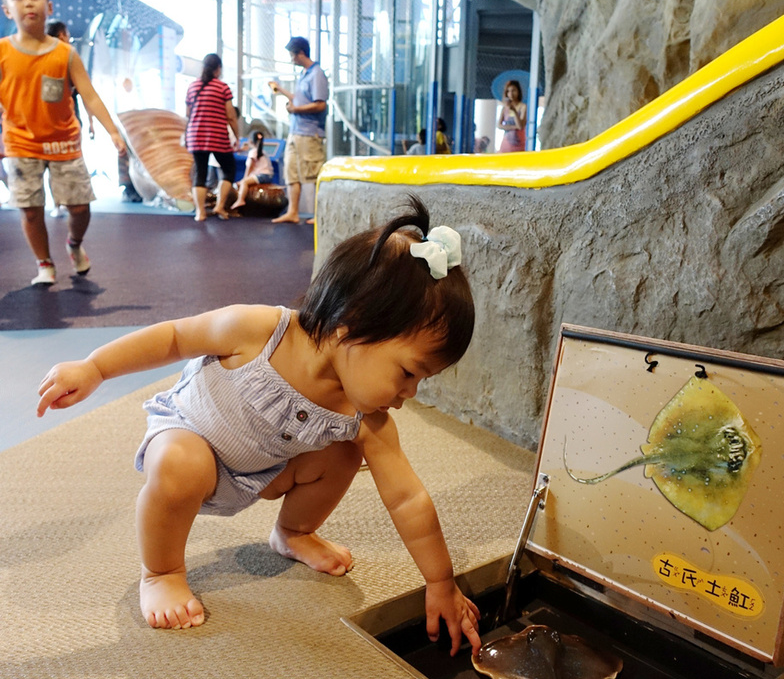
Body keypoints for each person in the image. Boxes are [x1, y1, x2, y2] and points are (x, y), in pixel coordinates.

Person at [37, 196, 482, 655]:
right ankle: (162, 571)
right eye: (408, 373)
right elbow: (174, 337)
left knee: (344, 454)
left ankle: (293, 532)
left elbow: (408, 498)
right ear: (350, 327)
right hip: (189, 437)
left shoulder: (366, 418)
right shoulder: (258, 331)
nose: (410, 393)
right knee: (182, 463)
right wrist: (95, 367)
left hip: (260, 472)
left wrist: (440, 582)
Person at [0, 0, 126, 285]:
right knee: (30, 211)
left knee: (80, 207)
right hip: (20, 143)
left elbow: (90, 94)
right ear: (7, 10)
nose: (28, 3)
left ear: (49, 5)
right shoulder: (2, 52)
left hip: (63, 142)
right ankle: (45, 264)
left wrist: (113, 131)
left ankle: (74, 244)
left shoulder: (65, 53)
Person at [270, 36, 328, 224]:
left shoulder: (317, 73)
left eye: (292, 55)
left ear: (300, 53)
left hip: (310, 133)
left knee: (314, 174)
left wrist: (295, 109)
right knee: (292, 172)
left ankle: (320, 214)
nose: (291, 59)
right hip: (296, 131)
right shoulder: (305, 74)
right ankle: (292, 212)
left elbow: (320, 105)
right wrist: (281, 91)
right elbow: (299, 98)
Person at [185, 52, 239, 221]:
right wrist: (237, 135)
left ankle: (200, 212)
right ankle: (220, 207)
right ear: (218, 69)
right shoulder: (222, 88)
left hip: (196, 135)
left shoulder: (192, 87)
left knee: (200, 173)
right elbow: (230, 115)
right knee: (229, 170)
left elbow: (188, 113)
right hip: (217, 135)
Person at [230, 129, 274, 210]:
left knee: (244, 182)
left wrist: (244, 179)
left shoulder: (253, 152)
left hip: (262, 175)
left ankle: (241, 200)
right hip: (268, 175)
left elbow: (249, 166)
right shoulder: (262, 151)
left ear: (250, 141)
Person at [497, 80, 527, 152]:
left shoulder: (523, 107)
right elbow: (499, 125)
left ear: (518, 91)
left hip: (518, 143)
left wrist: (514, 111)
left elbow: (520, 126)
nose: (511, 94)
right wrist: (514, 127)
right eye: (508, 91)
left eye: (513, 90)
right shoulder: (504, 108)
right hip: (506, 142)